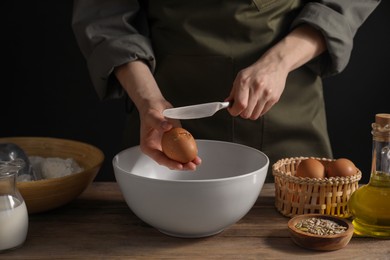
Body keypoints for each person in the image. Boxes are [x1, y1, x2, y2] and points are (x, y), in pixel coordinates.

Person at [72, 0, 380, 181]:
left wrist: (280, 61)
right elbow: (103, 15)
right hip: (167, 105)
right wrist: (148, 100)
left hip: (286, 109)